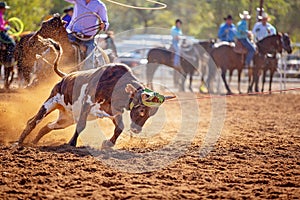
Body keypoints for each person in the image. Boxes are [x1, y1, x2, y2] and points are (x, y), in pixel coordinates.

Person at [64, 0, 109, 70]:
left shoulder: (100, 5)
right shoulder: (78, 1)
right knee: (60, 47)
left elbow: (105, 22)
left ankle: (87, 76)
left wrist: (104, 25)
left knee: (89, 63)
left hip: (88, 38)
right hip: (73, 34)